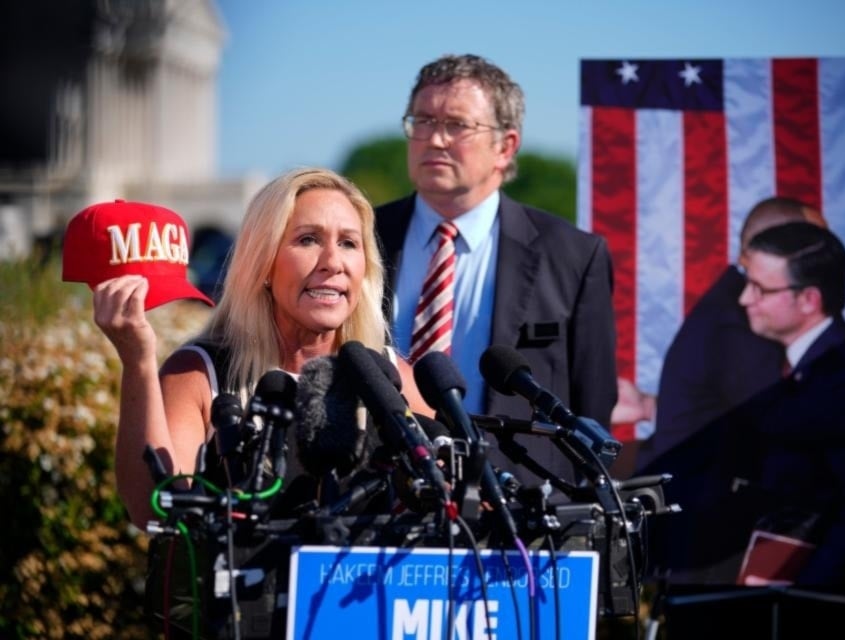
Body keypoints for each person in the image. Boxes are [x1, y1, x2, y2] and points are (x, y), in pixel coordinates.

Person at [635, 197, 845, 583]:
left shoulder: (833, 356)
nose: (822, 259)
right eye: (805, 243)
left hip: (773, 559)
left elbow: (836, 457)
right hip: (710, 541)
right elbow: (775, 417)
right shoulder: (736, 321)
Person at [92, 168, 431, 530]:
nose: (333, 262)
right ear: (263, 263)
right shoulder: (198, 374)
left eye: (348, 243)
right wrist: (138, 361)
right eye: (308, 240)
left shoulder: (390, 377)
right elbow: (153, 510)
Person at [375, 54, 617, 489]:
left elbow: (592, 406)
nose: (435, 139)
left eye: (457, 125)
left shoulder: (574, 256)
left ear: (506, 147)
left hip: (515, 510)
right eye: (423, 121)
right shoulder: (359, 238)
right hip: (376, 497)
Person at [733, 222, 845, 593]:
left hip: (834, 601)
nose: (745, 299)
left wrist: (799, 594)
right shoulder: (812, 362)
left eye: (760, 289)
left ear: (809, 300)